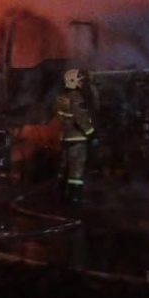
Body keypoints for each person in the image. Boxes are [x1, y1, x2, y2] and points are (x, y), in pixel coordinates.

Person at [55, 68, 96, 204]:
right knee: (77, 169)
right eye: (80, 81)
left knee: (65, 167)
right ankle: (75, 197)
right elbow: (81, 118)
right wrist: (91, 133)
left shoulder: (62, 98)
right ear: (73, 81)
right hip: (78, 138)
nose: (81, 83)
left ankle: (62, 195)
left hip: (65, 137)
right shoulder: (76, 98)